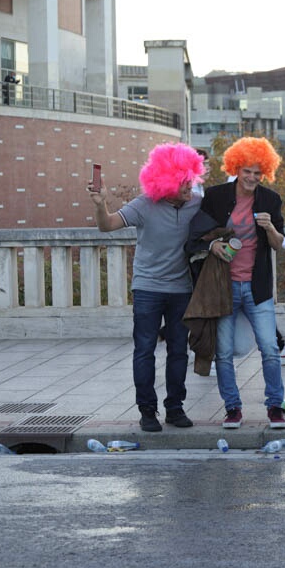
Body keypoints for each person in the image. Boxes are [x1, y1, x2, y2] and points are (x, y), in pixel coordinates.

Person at [88, 142, 204, 432]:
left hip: (182, 290)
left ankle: (175, 409)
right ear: (165, 182)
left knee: (179, 350)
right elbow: (108, 226)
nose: (190, 185)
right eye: (183, 181)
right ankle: (147, 411)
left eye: (191, 178)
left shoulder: (196, 203)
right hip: (148, 289)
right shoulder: (144, 205)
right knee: (144, 350)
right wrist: (101, 204)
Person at [187, 136, 285, 430]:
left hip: (257, 289)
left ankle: (275, 407)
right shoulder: (217, 196)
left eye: (258, 172)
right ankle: (232, 409)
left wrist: (270, 227)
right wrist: (212, 248)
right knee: (223, 352)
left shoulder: (270, 199)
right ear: (236, 167)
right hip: (224, 287)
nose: (252, 177)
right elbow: (195, 237)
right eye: (247, 171)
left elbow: (278, 244)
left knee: (270, 348)